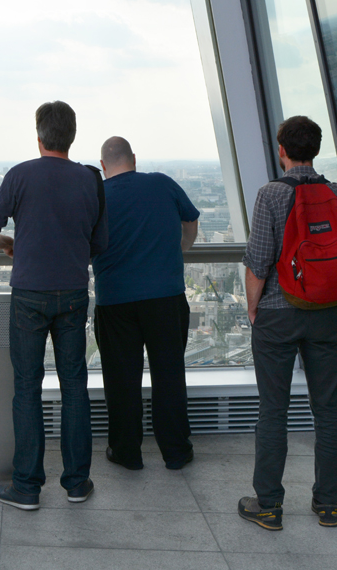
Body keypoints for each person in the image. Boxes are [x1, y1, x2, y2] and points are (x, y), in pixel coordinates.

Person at [0, 100, 108, 510]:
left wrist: (8, 244)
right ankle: (76, 483)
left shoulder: (20, 176)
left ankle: (27, 487)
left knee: (27, 388)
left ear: (38, 137)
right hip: (72, 293)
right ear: (71, 136)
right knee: (74, 387)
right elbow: (99, 245)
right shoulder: (91, 180)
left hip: (29, 294)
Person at [238, 115, 337, 530]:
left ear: (282, 150)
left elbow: (257, 263)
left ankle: (269, 505)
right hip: (327, 315)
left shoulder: (271, 195)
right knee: (328, 410)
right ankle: (328, 504)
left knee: (273, 411)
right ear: (317, 150)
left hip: (277, 314)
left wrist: (255, 309)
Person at [92, 136, 199, 471]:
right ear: (134, 159)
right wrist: (180, 250)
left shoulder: (97, 197)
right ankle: (176, 451)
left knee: (122, 379)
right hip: (166, 296)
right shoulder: (162, 184)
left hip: (115, 301)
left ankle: (127, 452)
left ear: (103, 166)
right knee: (169, 374)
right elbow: (191, 222)